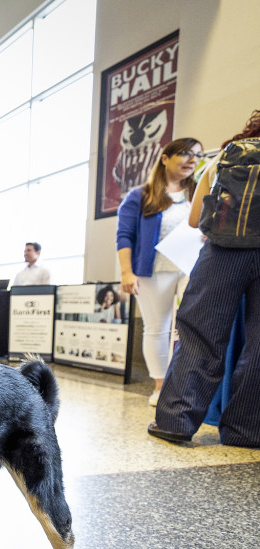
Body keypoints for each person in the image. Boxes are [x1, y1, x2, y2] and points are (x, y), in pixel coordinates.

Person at [150, 111, 260, 447]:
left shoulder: (226, 156)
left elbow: (196, 219)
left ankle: (176, 421)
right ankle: (247, 431)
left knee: (199, 335)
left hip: (222, 253)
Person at [116, 137, 203, 406]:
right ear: (165, 158)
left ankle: (186, 386)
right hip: (153, 272)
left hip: (192, 268)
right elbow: (125, 235)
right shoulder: (140, 196)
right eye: (186, 154)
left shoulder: (199, 192)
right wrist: (126, 272)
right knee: (157, 328)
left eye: (197, 156)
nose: (192, 160)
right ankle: (160, 386)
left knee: (192, 328)